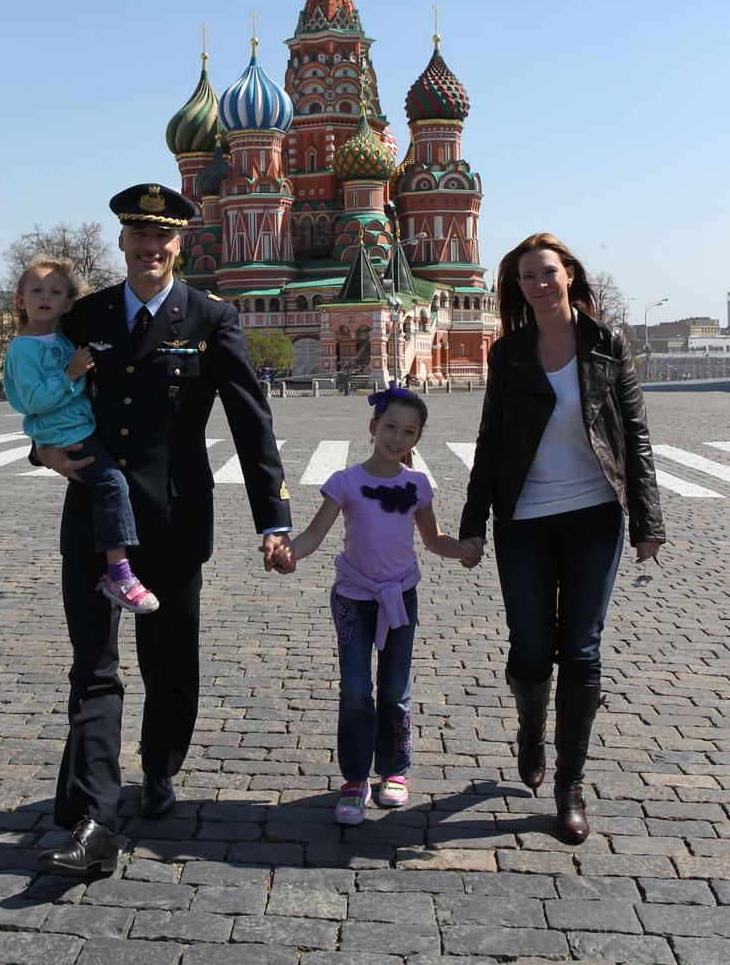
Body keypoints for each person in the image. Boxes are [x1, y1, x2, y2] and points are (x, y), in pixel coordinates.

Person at [35, 183, 293, 877]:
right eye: (138, 235)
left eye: (163, 236)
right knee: (93, 667)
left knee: (170, 665)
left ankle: (158, 767)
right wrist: (44, 452)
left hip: (175, 518)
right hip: (93, 514)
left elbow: (250, 420)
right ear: (121, 241)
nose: (150, 247)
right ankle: (95, 813)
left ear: (180, 244)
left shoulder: (209, 317)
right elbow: (42, 395)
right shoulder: (83, 315)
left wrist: (272, 517)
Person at [460, 233, 665, 844]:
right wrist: (472, 523)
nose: (540, 284)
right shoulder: (510, 354)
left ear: (569, 275)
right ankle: (530, 726)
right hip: (523, 516)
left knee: (581, 649)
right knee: (529, 648)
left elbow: (636, 433)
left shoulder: (608, 346)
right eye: (528, 276)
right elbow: (491, 441)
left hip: (594, 514)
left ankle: (568, 784)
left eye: (548, 272)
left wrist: (648, 522)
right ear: (517, 286)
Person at [269, 383, 480, 824]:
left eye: (408, 431)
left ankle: (395, 771)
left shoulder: (418, 485)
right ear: (373, 427)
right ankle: (354, 779)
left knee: (396, 691)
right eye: (390, 427)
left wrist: (460, 548)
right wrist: (290, 553)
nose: (397, 438)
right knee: (356, 690)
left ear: (417, 438)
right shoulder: (345, 482)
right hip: (353, 599)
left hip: (401, 597)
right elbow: (313, 534)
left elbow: (432, 539)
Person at [3, 257, 159, 614]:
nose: (45, 297)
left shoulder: (59, 336)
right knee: (111, 485)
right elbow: (30, 401)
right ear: (20, 299)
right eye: (37, 290)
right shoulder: (23, 347)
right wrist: (71, 374)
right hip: (64, 433)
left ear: (68, 304)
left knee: (107, 487)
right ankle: (119, 574)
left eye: (55, 292)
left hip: (79, 426)